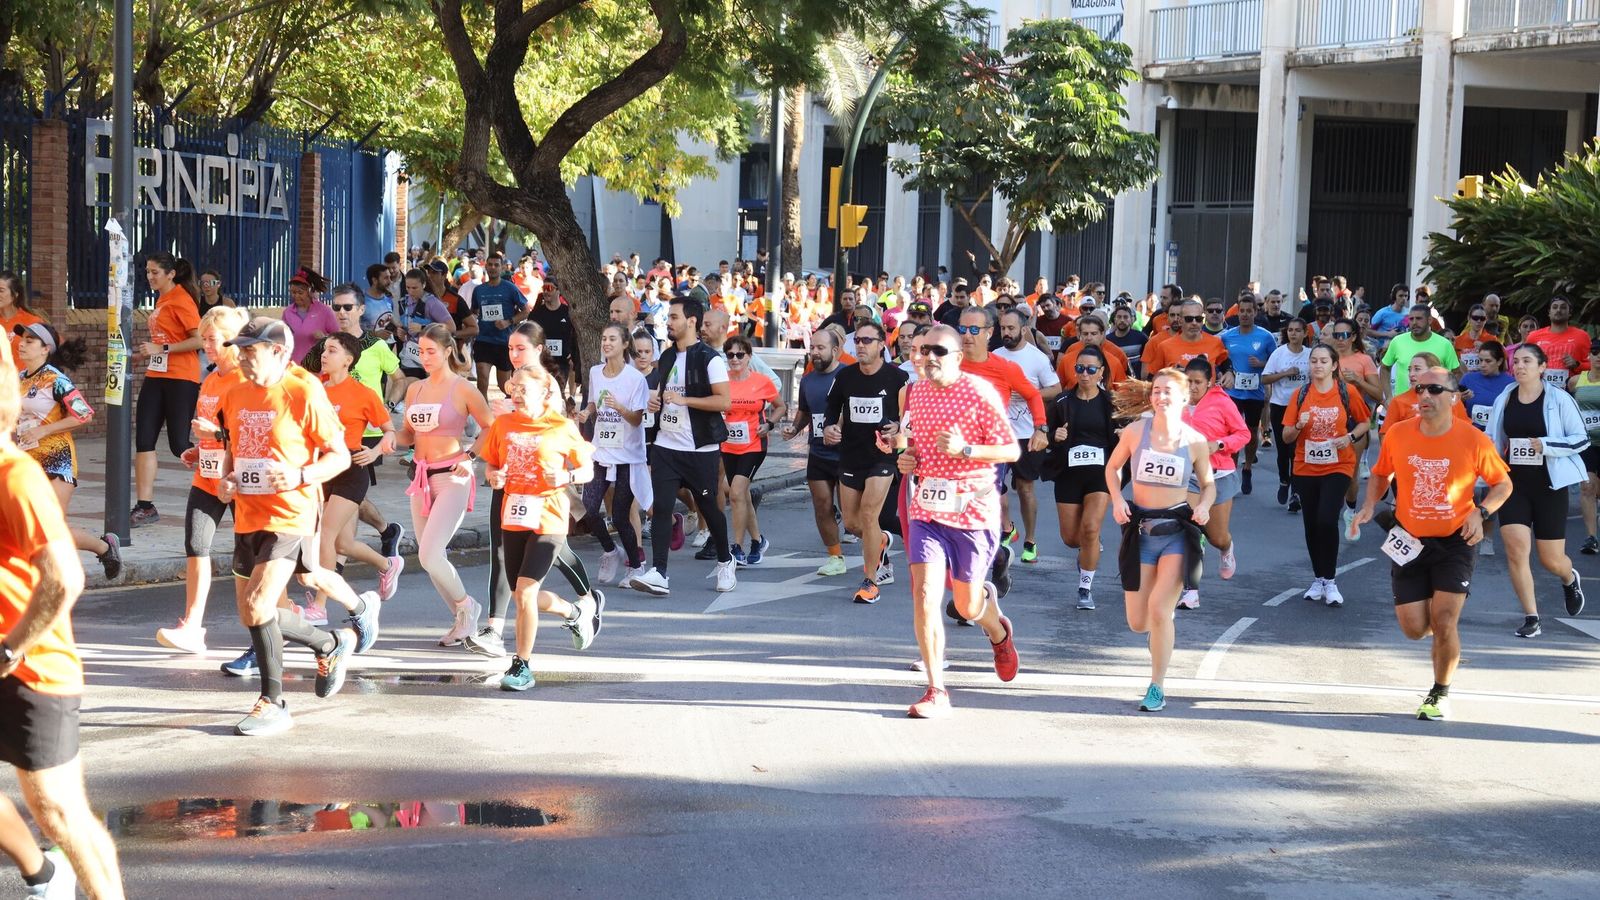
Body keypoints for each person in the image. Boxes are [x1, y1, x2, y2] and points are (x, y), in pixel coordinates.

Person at [0, 353, 126, 896]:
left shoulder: (16, 477)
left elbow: (65, 578)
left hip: (32, 667)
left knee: (59, 812)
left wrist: (9, 650)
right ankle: (42, 877)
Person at [212, 318, 366, 736]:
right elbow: (233, 446)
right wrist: (226, 479)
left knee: (260, 604)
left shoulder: (303, 390)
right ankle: (329, 644)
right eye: (240, 349)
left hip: (291, 513)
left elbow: (339, 456)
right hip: (248, 512)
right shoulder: (235, 391)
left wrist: (300, 477)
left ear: (278, 351)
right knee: (253, 611)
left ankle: (273, 702)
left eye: (250, 350)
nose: (241, 357)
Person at [1353, 366, 1512, 720]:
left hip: (1456, 541)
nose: (1425, 395)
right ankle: (1442, 642)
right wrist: (1367, 506)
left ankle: (1439, 693)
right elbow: (1381, 473)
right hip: (1408, 539)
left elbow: (1503, 485)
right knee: (1414, 628)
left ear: (1453, 397)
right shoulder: (1398, 433)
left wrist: (1481, 513)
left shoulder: (1472, 438)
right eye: (1421, 388)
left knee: (1444, 620)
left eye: (1435, 390)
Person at [897, 325, 1021, 718]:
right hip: (927, 510)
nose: (929, 357)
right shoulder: (915, 392)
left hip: (972, 511)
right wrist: (906, 457)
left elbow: (1011, 450)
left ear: (956, 356)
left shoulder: (980, 393)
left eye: (939, 350)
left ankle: (997, 629)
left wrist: (966, 449)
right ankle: (936, 690)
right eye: (924, 350)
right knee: (924, 595)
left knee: (966, 607)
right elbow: (912, 444)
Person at [467, 322, 608, 658]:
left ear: (538, 350)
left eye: (520, 349)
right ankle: (499, 626)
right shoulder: (511, 393)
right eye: (510, 349)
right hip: (512, 487)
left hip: (546, 493)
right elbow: (498, 436)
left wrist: (564, 476)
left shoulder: (547, 389)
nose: (513, 355)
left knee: (550, 558)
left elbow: (564, 445)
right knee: (503, 558)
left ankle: (585, 600)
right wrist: (481, 462)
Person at [480, 365, 603, 691]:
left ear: (543, 392)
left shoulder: (560, 427)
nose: (515, 393)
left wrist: (567, 477)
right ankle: (574, 613)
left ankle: (522, 665)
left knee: (526, 593)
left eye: (523, 388)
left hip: (549, 519)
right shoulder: (504, 424)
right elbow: (491, 462)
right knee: (523, 594)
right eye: (513, 387)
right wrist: (494, 476)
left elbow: (587, 469)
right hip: (514, 517)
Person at [1105, 368, 1215, 713]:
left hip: (1177, 535)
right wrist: (1117, 500)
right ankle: (1159, 628)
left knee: (1159, 609)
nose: (1161, 397)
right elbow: (1112, 469)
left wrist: (1206, 507)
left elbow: (1208, 484)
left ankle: (1157, 686)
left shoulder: (1194, 441)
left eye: (1169, 391)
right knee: (1138, 623)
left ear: (1185, 398)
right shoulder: (1137, 431)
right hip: (1140, 532)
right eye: (1156, 391)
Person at [156, 307, 249, 656]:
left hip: (241, 477)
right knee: (196, 545)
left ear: (232, 340)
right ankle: (193, 625)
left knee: (251, 555)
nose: (206, 345)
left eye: (212, 339)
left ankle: (280, 618)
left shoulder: (245, 381)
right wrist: (200, 448)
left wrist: (218, 434)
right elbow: (211, 429)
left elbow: (251, 434)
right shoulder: (210, 379)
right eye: (204, 338)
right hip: (208, 475)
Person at [629, 298, 736, 595]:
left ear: (691, 321)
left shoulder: (709, 359)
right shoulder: (665, 357)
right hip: (666, 445)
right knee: (661, 507)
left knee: (709, 507)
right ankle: (659, 573)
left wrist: (685, 400)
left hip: (700, 448)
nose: (669, 322)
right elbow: (664, 393)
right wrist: (655, 400)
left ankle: (726, 561)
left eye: (674, 317)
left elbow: (723, 401)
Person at [395, 325, 493, 645]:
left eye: (430, 351)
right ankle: (462, 618)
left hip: (452, 475)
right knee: (429, 558)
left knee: (430, 554)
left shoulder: (463, 389)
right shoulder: (415, 390)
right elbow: (408, 435)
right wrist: (385, 438)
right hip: (421, 477)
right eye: (420, 352)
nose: (424, 358)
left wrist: (471, 456)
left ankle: (467, 606)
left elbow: (491, 427)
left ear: (448, 351)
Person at [1485, 344, 1588, 638]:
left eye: (1527, 361)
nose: (1519, 366)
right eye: (1515, 361)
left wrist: (1547, 445)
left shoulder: (1560, 399)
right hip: (1513, 485)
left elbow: (1581, 440)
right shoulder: (1505, 398)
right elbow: (1493, 440)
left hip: (1549, 484)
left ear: (1542, 367)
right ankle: (1532, 617)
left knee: (1550, 559)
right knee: (1516, 550)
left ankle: (1569, 578)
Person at [12, 323, 121, 580]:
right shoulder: (17, 379)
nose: (23, 343)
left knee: (49, 529)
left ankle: (104, 547)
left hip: (56, 461)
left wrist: (42, 431)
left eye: (30, 340)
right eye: (22, 339)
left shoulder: (55, 379)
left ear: (45, 349)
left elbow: (84, 415)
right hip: (26, 463)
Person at [313, 333, 404, 621]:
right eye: (323, 350)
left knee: (324, 535)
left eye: (332, 351)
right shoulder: (315, 390)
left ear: (348, 359)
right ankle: (387, 565)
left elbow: (390, 431)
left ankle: (318, 606)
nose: (324, 355)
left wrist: (375, 452)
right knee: (342, 544)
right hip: (320, 470)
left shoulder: (363, 393)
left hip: (351, 470)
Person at [823, 320, 908, 603]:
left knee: (870, 515)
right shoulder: (845, 377)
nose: (860, 345)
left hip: (882, 457)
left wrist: (898, 428)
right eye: (857, 340)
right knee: (853, 522)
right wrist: (830, 428)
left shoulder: (897, 378)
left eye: (867, 340)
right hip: (851, 455)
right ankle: (881, 542)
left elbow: (909, 418)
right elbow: (831, 410)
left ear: (882, 344)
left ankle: (870, 581)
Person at [1282, 343, 1372, 606]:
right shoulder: (1300, 395)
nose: (1318, 365)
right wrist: (1299, 424)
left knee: (1326, 519)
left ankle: (1330, 581)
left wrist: (1350, 436)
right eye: (1314, 361)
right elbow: (1286, 436)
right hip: (1305, 466)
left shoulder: (1347, 392)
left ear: (1334, 366)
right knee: (1311, 524)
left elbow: (1365, 421)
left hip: (1338, 465)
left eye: (1323, 361)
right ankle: (1318, 578)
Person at [132, 252, 203, 527]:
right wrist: (149, 354)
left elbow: (197, 340)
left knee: (178, 446)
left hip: (181, 378)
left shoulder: (182, 299)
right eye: (148, 272)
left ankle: (225, 477)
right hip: (156, 375)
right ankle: (145, 506)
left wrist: (160, 348)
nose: (150, 277)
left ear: (171, 273)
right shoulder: (162, 298)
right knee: (144, 439)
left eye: (155, 272)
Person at [577, 324, 650, 584]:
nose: (606, 343)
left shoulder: (634, 379)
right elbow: (594, 402)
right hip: (602, 452)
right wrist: (587, 412)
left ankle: (636, 566)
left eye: (612, 339)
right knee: (588, 510)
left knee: (620, 516)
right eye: (604, 338)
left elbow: (636, 420)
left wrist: (619, 407)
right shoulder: (596, 372)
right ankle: (610, 551)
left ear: (624, 344)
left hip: (627, 457)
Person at [1045, 344, 1115, 610]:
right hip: (1068, 474)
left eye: (1090, 370)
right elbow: (1044, 436)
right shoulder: (1062, 402)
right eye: (1079, 369)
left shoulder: (1110, 402)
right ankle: (1089, 550)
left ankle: (1085, 588)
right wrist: (1054, 437)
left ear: (1101, 373)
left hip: (1101, 474)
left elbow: (1125, 435)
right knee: (1072, 539)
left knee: (1090, 529)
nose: (1084, 374)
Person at [1177, 357, 1250, 609]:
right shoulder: (1177, 401)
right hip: (1189, 477)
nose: (1193, 387)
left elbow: (1243, 434)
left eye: (1198, 382)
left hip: (1218, 475)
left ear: (1210, 382)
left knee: (1216, 536)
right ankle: (1190, 591)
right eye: (1189, 382)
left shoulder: (1222, 402)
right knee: (1191, 530)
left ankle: (1226, 548)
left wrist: (1218, 444)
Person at [991, 307, 1061, 563]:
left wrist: (1029, 393)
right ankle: (1008, 527)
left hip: (1029, 432)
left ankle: (1030, 541)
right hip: (998, 433)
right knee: (993, 487)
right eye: (1002, 328)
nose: (1006, 333)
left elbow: (1056, 388)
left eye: (1010, 328)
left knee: (1025, 488)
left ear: (1023, 329)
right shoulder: (994, 356)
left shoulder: (1037, 358)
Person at [786, 330, 848, 575]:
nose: (815, 352)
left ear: (834, 351)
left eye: (821, 348)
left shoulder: (847, 375)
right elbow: (804, 411)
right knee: (822, 505)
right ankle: (835, 557)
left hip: (846, 454)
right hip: (819, 453)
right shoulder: (808, 379)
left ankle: (878, 548)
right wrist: (794, 428)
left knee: (851, 515)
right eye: (813, 347)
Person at [720, 335, 782, 567]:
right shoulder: (722, 381)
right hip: (728, 445)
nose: (735, 359)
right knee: (742, 494)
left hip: (754, 444)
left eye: (740, 355)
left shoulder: (761, 381)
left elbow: (780, 406)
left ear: (749, 357)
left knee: (735, 492)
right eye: (730, 355)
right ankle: (757, 540)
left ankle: (737, 547)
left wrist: (770, 424)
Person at [1218, 293, 1278, 495]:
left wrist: (1261, 364)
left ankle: (1248, 468)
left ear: (1255, 312)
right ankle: (1232, 472)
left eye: (1248, 311)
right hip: (1233, 393)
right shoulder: (1227, 336)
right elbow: (1219, 359)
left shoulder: (1265, 336)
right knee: (1233, 433)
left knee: (1252, 431)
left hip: (1255, 391)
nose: (1244, 315)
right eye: (1241, 311)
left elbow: (1275, 361)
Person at [1262, 318, 1311, 509]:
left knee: (1297, 451)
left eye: (1298, 330)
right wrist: (1284, 373)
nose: (1293, 334)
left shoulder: (1310, 355)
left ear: (1305, 333)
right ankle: (1284, 480)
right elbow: (1265, 378)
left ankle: (1296, 493)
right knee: (1283, 450)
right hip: (1281, 405)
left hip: (1302, 407)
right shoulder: (1279, 353)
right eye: (1290, 330)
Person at [470, 251, 528, 400]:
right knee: (482, 378)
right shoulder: (479, 290)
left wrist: (508, 322)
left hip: (504, 341)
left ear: (502, 268)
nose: (493, 268)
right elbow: (475, 311)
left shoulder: (510, 288)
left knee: (504, 385)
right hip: (484, 340)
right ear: (485, 267)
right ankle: (484, 415)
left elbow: (526, 310)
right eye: (490, 264)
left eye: (496, 265)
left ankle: (514, 405)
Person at [1381, 303, 1460, 396]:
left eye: (1419, 318)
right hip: (1404, 405)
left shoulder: (1445, 344)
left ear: (1429, 320)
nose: (1414, 323)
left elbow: (1456, 373)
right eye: (1411, 319)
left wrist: (1447, 395)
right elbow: (1385, 368)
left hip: (1434, 404)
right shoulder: (1397, 341)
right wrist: (1388, 397)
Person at [1522, 295, 1592, 392]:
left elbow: (1594, 366)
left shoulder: (1582, 336)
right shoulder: (1533, 337)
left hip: (1571, 391)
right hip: (1539, 390)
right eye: (1554, 307)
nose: (1558, 310)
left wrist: (1577, 365)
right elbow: (1522, 362)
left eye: (1563, 307)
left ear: (1570, 313)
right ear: (1549, 312)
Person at [1142, 299, 1230, 375]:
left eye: (1198, 319)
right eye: (1189, 319)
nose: (1194, 323)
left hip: (1207, 394)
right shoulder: (1164, 346)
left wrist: (1229, 373)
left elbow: (1225, 361)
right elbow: (1151, 377)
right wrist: (1170, 373)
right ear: (1180, 321)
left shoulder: (1215, 342)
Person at [1572, 345, 1600, 556]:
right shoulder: (1575, 381)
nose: (1599, 357)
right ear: (1589, 355)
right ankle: (1591, 537)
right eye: (1596, 352)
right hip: (1587, 444)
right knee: (1587, 487)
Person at [530, 280, 580, 396]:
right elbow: (530, 335)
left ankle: (571, 398)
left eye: (550, 288)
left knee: (556, 393)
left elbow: (575, 335)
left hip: (562, 361)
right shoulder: (536, 314)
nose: (546, 291)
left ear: (559, 291)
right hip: (541, 361)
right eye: (544, 288)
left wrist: (572, 355)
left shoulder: (567, 312)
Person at [280, 268, 337, 354]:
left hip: (317, 365)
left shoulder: (325, 311)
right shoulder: (287, 313)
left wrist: (325, 338)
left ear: (310, 291)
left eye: (300, 292)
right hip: (294, 365)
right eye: (293, 292)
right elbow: (281, 338)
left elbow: (338, 338)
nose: (296, 296)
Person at [0, 273, 44, 372]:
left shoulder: (32, 322)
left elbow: (49, 349)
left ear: (15, 295)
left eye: (1, 291)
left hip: (23, 384)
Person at [1106, 305, 1148, 377]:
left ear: (1131, 319)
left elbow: (1147, 360)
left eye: (1125, 317)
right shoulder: (1108, 340)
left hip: (1135, 382)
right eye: (1119, 317)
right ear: (1115, 319)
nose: (1122, 320)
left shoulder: (1141, 337)